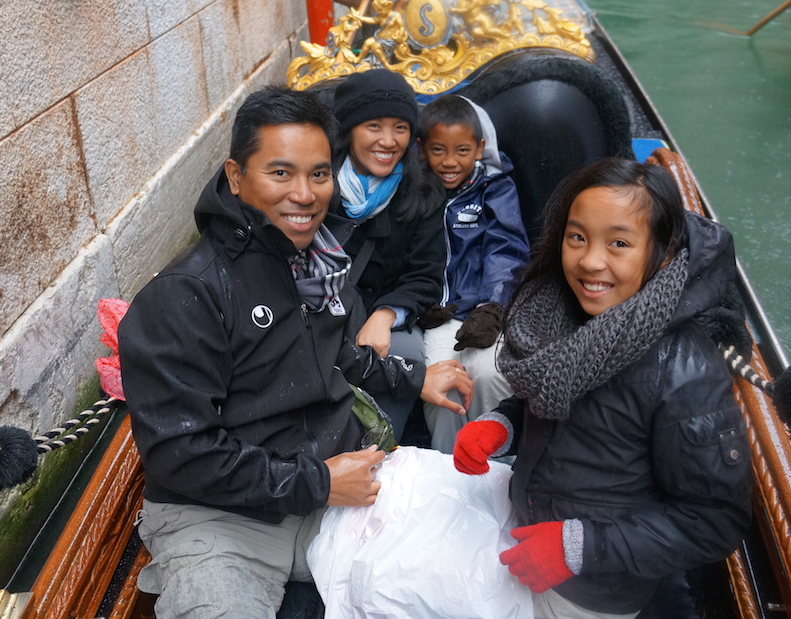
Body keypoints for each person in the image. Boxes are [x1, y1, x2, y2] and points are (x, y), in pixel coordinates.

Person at [118, 86, 472, 619]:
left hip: (333, 490)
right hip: (222, 519)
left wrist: (412, 379)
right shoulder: (185, 295)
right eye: (280, 173)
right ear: (237, 178)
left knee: (466, 569)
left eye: (319, 174)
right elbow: (181, 454)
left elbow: (336, 358)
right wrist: (320, 482)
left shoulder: (317, 264)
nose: (305, 195)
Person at [452, 158, 752, 618]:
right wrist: (502, 425)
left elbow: (714, 521)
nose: (591, 261)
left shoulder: (685, 374)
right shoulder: (562, 311)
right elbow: (554, 400)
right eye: (578, 237)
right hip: (525, 530)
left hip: (591, 591)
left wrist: (577, 548)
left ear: (663, 252)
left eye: (618, 243)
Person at [326, 68, 448, 441]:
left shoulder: (422, 191)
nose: (388, 140)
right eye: (374, 126)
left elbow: (426, 275)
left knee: (405, 353)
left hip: (383, 316)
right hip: (320, 310)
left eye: (400, 127)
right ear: (349, 129)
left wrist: (385, 314)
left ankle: (380, 454)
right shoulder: (317, 182)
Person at [417, 94, 530, 453]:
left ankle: (493, 467)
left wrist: (492, 308)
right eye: (438, 151)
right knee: (445, 385)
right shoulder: (414, 192)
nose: (450, 162)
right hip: (436, 317)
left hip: (484, 313)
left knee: (491, 374)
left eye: (461, 151)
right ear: (422, 149)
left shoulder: (494, 189)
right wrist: (422, 303)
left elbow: (506, 251)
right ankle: (447, 472)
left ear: (480, 148)